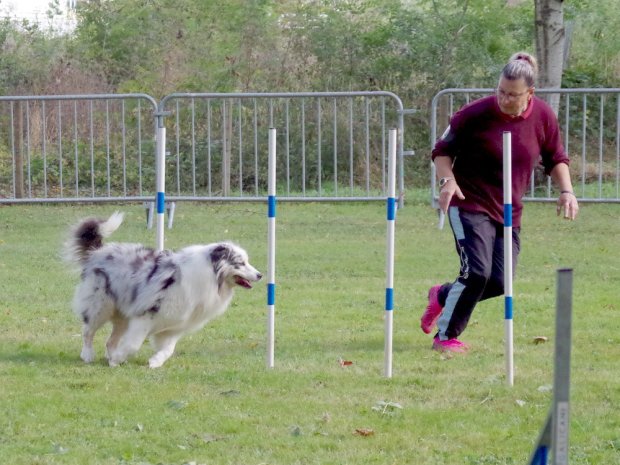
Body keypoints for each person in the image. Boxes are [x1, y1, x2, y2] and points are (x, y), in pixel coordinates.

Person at [422, 51, 579, 353]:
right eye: (501, 91)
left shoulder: (543, 116)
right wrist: (447, 180)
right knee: (476, 273)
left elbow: (556, 157)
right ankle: (445, 338)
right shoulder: (474, 114)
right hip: (467, 201)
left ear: (529, 93)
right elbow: (441, 150)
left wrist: (567, 191)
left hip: (508, 210)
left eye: (512, 95)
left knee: (499, 282)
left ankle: (442, 296)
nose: (504, 99)